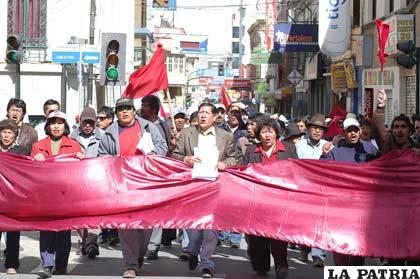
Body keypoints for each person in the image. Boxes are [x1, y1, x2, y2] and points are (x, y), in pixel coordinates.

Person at [98, 97, 167, 278]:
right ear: (117, 113)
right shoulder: (109, 133)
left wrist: (152, 154)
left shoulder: (148, 127)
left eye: (128, 108)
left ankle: (139, 255)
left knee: (145, 225)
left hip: (145, 183)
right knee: (126, 226)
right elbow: (102, 155)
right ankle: (130, 264)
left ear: (133, 110)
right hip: (122, 184)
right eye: (121, 109)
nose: (125, 112)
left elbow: (163, 146)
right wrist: (113, 159)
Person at [172, 102, 237, 279]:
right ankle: (192, 250)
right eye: (200, 112)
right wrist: (187, 158)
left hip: (215, 186)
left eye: (206, 113)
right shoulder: (187, 133)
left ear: (215, 117)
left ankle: (206, 263)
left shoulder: (225, 136)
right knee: (193, 227)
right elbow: (175, 155)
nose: (202, 116)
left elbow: (234, 158)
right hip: (192, 186)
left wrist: (225, 164)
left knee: (211, 228)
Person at [240, 118, 297, 279]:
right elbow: (242, 170)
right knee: (257, 237)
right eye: (264, 131)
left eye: (270, 131)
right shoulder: (252, 151)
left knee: (278, 236)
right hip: (257, 201)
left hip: (280, 200)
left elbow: (297, 171)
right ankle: (261, 266)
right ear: (259, 134)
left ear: (276, 133)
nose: (267, 135)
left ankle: (281, 265)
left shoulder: (289, 148)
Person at [31, 111, 83, 278]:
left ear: (65, 126)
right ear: (48, 125)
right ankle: (47, 265)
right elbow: (30, 172)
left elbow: (81, 172)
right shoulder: (37, 146)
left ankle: (61, 265)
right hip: (45, 196)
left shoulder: (74, 145)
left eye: (60, 122)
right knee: (46, 230)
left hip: (66, 196)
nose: (56, 126)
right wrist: (34, 159)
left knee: (64, 232)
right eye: (53, 122)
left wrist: (82, 159)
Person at [322, 117, 378, 265]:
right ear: (344, 133)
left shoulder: (371, 150)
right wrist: (324, 153)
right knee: (340, 247)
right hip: (341, 207)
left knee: (358, 248)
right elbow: (321, 170)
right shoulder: (336, 152)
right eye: (349, 131)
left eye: (355, 130)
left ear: (359, 131)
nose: (352, 133)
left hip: (363, 207)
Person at [139, 95, 175, 260]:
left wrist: (173, 143)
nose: (142, 108)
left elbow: (168, 148)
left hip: (159, 172)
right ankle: (140, 244)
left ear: (153, 108)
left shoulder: (164, 125)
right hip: (140, 172)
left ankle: (153, 246)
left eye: (145, 105)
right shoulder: (138, 125)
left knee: (156, 210)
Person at [294, 114, 330, 268]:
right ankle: (304, 247)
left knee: (321, 223)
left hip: (322, 190)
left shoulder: (328, 146)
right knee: (304, 223)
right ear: (308, 129)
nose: (317, 131)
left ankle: (319, 255)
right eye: (314, 128)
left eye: (320, 129)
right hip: (303, 190)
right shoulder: (299, 145)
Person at [70, 107, 105, 259]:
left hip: (96, 181)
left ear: (95, 123)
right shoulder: (71, 138)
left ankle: (91, 244)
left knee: (95, 215)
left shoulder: (103, 136)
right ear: (80, 122)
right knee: (78, 214)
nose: (88, 125)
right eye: (85, 122)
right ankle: (81, 243)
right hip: (76, 181)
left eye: (91, 122)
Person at [0, 119, 30, 274]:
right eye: (3, 132)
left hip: (12, 198)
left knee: (13, 232)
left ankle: (12, 264)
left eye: (9, 133)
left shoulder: (21, 151)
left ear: (15, 135)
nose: (6, 136)